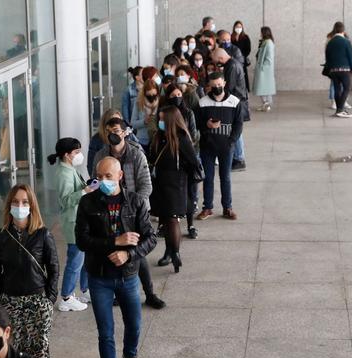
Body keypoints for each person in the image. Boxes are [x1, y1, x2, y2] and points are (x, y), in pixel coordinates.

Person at [75, 157, 157, 358]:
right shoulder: (88, 202)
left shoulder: (135, 202)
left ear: (120, 176)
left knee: (134, 324)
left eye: (108, 177)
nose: (103, 181)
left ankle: (130, 355)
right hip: (99, 278)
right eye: (99, 177)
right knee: (105, 332)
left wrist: (128, 253)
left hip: (129, 276)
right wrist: (114, 242)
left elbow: (150, 239)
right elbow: (82, 241)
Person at [91, 117, 166, 310]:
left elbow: (146, 186)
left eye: (116, 130)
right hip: (108, 210)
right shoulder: (101, 155)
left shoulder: (136, 154)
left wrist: (132, 206)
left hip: (134, 211)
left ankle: (149, 293)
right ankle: (117, 291)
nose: (112, 135)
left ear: (125, 132)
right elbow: (95, 182)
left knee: (136, 254)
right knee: (113, 250)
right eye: (108, 131)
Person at [0, 184, 59, 358]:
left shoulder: (43, 235)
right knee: (12, 354)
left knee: (37, 357)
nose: (20, 206)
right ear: (9, 206)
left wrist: (49, 299)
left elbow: (53, 268)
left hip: (38, 303)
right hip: (10, 303)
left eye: (25, 202)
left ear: (32, 206)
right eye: (15, 202)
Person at [149, 107, 200, 272]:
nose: (160, 122)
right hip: (159, 183)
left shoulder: (182, 139)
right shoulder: (159, 137)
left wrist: (185, 176)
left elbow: (193, 162)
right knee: (165, 219)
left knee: (172, 219)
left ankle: (174, 253)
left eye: (163, 119)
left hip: (176, 184)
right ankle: (169, 252)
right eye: (159, 119)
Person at [49, 138, 92, 311]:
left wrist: (86, 187)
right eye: (76, 152)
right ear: (67, 155)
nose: (79, 155)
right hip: (73, 223)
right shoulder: (63, 173)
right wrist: (84, 191)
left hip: (79, 220)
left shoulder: (69, 168)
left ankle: (85, 289)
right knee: (75, 260)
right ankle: (66, 297)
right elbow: (66, 200)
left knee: (83, 259)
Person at [195, 72, 243, 221]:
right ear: (209, 86)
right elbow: (195, 122)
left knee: (225, 177)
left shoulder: (234, 102)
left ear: (224, 83)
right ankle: (207, 207)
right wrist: (206, 125)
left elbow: (238, 124)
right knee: (208, 178)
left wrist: (232, 141)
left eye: (219, 84)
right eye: (214, 85)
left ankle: (227, 208)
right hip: (207, 146)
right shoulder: (202, 102)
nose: (217, 87)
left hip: (226, 147)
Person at [211, 48, 249, 170]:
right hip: (238, 102)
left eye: (216, 61)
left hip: (236, 103)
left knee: (236, 131)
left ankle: (239, 158)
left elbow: (228, 88)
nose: (215, 63)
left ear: (220, 59)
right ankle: (238, 157)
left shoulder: (231, 66)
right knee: (236, 130)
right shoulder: (233, 64)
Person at [325, 22, 352, 118]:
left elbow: (327, 57)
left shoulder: (330, 42)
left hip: (333, 70)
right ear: (343, 30)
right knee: (346, 88)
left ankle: (339, 110)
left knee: (337, 89)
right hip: (345, 70)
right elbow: (351, 56)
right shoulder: (346, 42)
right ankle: (340, 109)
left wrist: (329, 69)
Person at [88, 108, 127, 178]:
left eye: (118, 120)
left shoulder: (129, 138)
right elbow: (91, 167)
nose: (115, 123)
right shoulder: (96, 140)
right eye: (112, 121)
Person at [131, 81, 160, 152]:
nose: (152, 97)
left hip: (157, 139)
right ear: (144, 93)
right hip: (142, 140)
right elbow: (133, 123)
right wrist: (144, 121)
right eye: (149, 95)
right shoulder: (138, 102)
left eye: (154, 94)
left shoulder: (160, 102)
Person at [253, 26, 276, 112]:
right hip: (263, 69)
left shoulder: (268, 43)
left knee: (263, 88)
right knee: (263, 88)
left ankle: (266, 104)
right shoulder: (265, 42)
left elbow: (269, 58)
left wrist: (262, 67)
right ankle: (265, 104)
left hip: (264, 70)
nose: (260, 34)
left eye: (261, 32)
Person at [232, 21, 252, 91]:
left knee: (243, 75)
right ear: (234, 27)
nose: (238, 28)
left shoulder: (245, 37)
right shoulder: (231, 37)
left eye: (240, 27)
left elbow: (248, 49)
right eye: (237, 27)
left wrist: (241, 56)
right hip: (233, 60)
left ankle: (245, 89)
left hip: (242, 60)